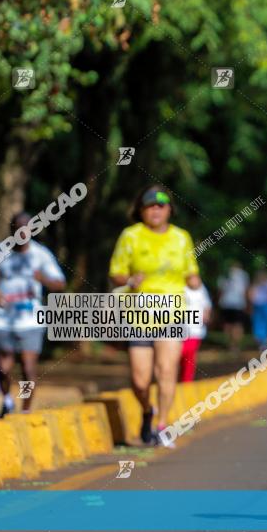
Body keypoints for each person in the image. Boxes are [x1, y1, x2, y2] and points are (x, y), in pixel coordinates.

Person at [109, 185, 202, 446]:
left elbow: (191, 273)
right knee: (139, 380)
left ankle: (162, 424)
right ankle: (147, 409)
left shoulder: (182, 238)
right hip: (138, 314)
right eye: (150, 206)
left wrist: (195, 281)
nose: (156, 210)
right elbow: (116, 273)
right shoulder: (131, 236)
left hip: (172, 312)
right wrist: (129, 280)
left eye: (161, 205)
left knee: (166, 370)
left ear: (170, 209)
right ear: (141, 211)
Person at [0, 212, 67, 416]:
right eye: (17, 228)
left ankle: (24, 409)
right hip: (2, 319)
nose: (22, 232)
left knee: (27, 369)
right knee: (2, 369)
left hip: (30, 320)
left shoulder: (40, 254)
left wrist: (43, 279)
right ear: (11, 229)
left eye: (26, 228)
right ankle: (6, 400)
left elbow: (60, 283)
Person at [180, 282, 212, 383]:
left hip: (195, 329)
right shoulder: (176, 285)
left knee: (188, 354)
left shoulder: (201, 287)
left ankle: (186, 382)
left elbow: (206, 304)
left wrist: (206, 315)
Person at [217, 261, 249, 353]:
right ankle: (235, 345)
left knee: (228, 325)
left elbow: (220, 291)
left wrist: (217, 303)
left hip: (226, 303)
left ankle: (231, 344)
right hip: (238, 304)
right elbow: (245, 291)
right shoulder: (243, 275)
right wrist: (247, 303)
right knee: (237, 325)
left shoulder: (224, 275)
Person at [248, 269, 267, 349]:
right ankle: (264, 341)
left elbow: (251, 295)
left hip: (260, 305)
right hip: (264, 305)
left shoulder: (257, 283)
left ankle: (261, 341)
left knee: (259, 323)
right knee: (265, 323)